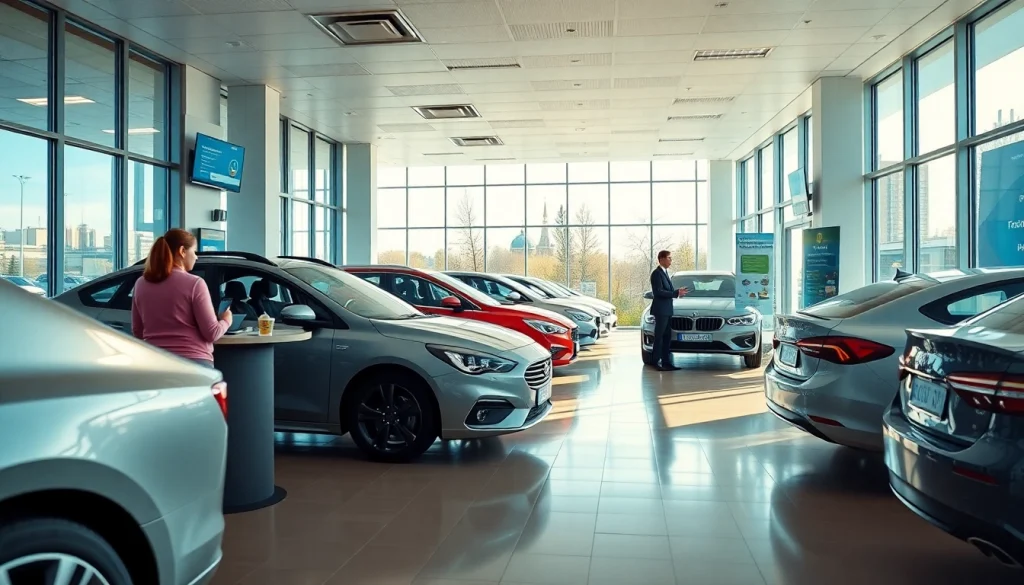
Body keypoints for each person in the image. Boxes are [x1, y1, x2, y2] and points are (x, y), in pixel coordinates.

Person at [131, 228, 232, 368]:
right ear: (182, 251)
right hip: (193, 364)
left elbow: (138, 331)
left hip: (154, 364)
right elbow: (212, 333)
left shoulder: (141, 283)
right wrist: (226, 319)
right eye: (194, 252)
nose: (196, 257)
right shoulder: (195, 284)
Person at [649, 250, 688, 371]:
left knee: (666, 337)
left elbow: (667, 290)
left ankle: (666, 362)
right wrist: (675, 293)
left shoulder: (665, 273)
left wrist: (677, 291)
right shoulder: (656, 273)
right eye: (669, 258)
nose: (671, 260)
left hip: (667, 310)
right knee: (659, 337)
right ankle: (656, 362)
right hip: (661, 310)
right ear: (661, 259)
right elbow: (658, 292)